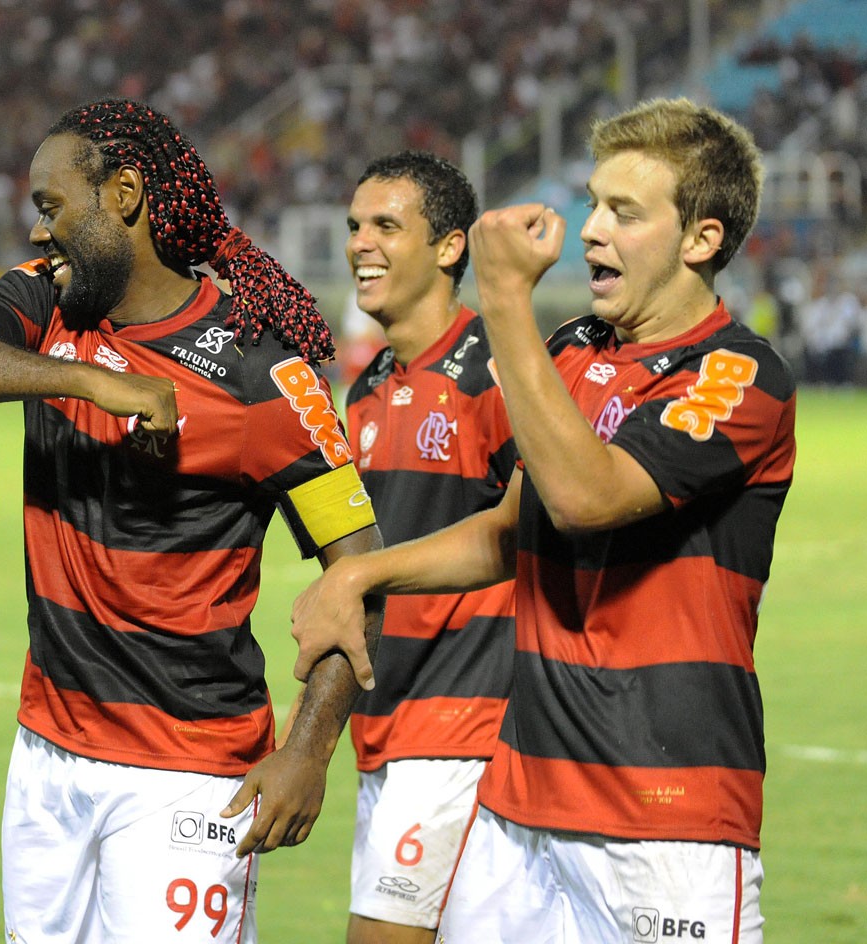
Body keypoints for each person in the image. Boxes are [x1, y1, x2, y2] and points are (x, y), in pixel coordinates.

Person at [290, 98, 796, 943]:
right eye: (593, 202)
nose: (592, 229)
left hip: (666, 815)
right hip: (520, 810)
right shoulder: (574, 349)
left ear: (702, 239)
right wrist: (362, 572)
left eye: (625, 213)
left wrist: (502, 301)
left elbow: (587, 499)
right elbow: (508, 528)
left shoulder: (738, 372)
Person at [0, 98, 384, 944]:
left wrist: (309, 748)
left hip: (187, 774)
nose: (38, 233)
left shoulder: (258, 374)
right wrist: (91, 382)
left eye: (51, 207)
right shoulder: (48, 307)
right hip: (47, 755)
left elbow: (364, 568)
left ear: (124, 194)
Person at [331, 152, 515, 944]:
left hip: (464, 728)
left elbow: (530, 532)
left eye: (385, 226)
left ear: (448, 248)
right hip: (386, 725)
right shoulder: (367, 387)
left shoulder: (497, 374)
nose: (359, 245)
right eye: (354, 227)